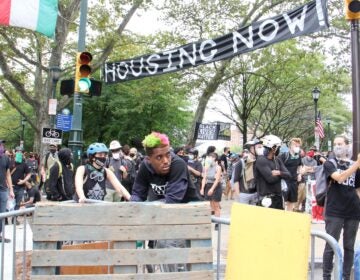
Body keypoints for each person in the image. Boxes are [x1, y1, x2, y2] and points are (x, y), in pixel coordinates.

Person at [322, 135, 360, 280]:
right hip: (335, 211)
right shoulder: (329, 163)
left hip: (353, 211)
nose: (338, 146)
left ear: (347, 146)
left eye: (340, 143)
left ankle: (345, 276)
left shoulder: (353, 164)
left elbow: (357, 188)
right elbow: (339, 178)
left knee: (349, 247)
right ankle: (326, 276)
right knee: (331, 245)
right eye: (335, 144)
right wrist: (357, 164)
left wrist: (355, 165)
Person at [131, 132, 199, 203]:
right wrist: (133, 205)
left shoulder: (178, 165)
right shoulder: (145, 166)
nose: (166, 161)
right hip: (162, 209)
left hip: (189, 209)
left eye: (168, 155)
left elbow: (172, 200)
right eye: (159, 157)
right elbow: (137, 194)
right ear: (149, 160)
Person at [254, 135, 291, 210]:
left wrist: (279, 173)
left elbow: (289, 175)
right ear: (273, 148)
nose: (279, 149)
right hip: (266, 199)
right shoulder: (261, 160)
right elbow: (270, 179)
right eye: (278, 147)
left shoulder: (277, 160)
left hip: (278, 197)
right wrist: (281, 175)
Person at [233, 139, 263, 205]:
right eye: (259, 147)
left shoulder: (259, 161)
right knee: (244, 215)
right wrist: (239, 196)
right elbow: (236, 180)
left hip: (256, 194)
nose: (261, 149)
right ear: (252, 148)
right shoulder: (241, 163)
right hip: (244, 195)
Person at [280, 138, 303, 211]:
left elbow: (300, 166)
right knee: (283, 200)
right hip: (284, 181)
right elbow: (278, 166)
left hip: (293, 181)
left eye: (298, 146)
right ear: (290, 146)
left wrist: (299, 174)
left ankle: (289, 217)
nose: (297, 147)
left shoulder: (298, 156)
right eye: (295, 145)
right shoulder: (284, 156)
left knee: (292, 201)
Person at [200, 152, 222, 230]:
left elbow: (217, 180)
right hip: (208, 185)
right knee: (209, 205)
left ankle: (217, 223)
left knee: (216, 205)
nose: (209, 158)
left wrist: (212, 189)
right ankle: (208, 222)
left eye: (211, 157)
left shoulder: (218, 167)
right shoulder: (206, 167)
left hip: (216, 186)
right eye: (208, 157)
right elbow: (204, 178)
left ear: (214, 159)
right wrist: (202, 188)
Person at [10, 146, 31, 224]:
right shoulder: (10, 162)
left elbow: (29, 173)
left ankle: (14, 219)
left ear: (23, 153)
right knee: (8, 204)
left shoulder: (24, 163)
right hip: (10, 188)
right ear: (14, 152)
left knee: (18, 204)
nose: (19, 153)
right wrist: (8, 184)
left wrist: (24, 181)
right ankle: (4, 220)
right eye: (17, 151)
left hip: (20, 188)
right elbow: (5, 174)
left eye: (21, 152)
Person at [0, 140, 14, 243]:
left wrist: (11, 190)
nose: (1, 146)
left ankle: (0, 235)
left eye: (2, 144)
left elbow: (8, 174)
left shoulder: (5, 158)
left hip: (3, 189)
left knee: (2, 214)